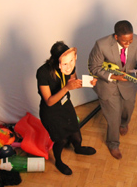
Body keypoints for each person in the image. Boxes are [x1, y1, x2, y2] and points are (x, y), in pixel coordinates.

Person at [88, 20, 137, 159]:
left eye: (131, 40)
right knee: (113, 119)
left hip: (128, 84)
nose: (129, 44)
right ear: (116, 37)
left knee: (128, 109)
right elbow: (94, 67)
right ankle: (113, 143)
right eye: (125, 42)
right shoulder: (101, 45)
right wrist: (113, 76)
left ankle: (124, 123)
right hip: (108, 86)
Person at [36, 41, 97, 175]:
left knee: (76, 131)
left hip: (65, 105)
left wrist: (88, 82)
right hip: (50, 112)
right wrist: (66, 88)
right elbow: (49, 102)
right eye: (65, 62)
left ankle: (78, 148)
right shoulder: (43, 72)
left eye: (71, 61)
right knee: (61, 139)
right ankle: (58, 160)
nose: (69, 65)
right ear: (55, 60)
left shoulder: (69, 64)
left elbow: (72, 81)